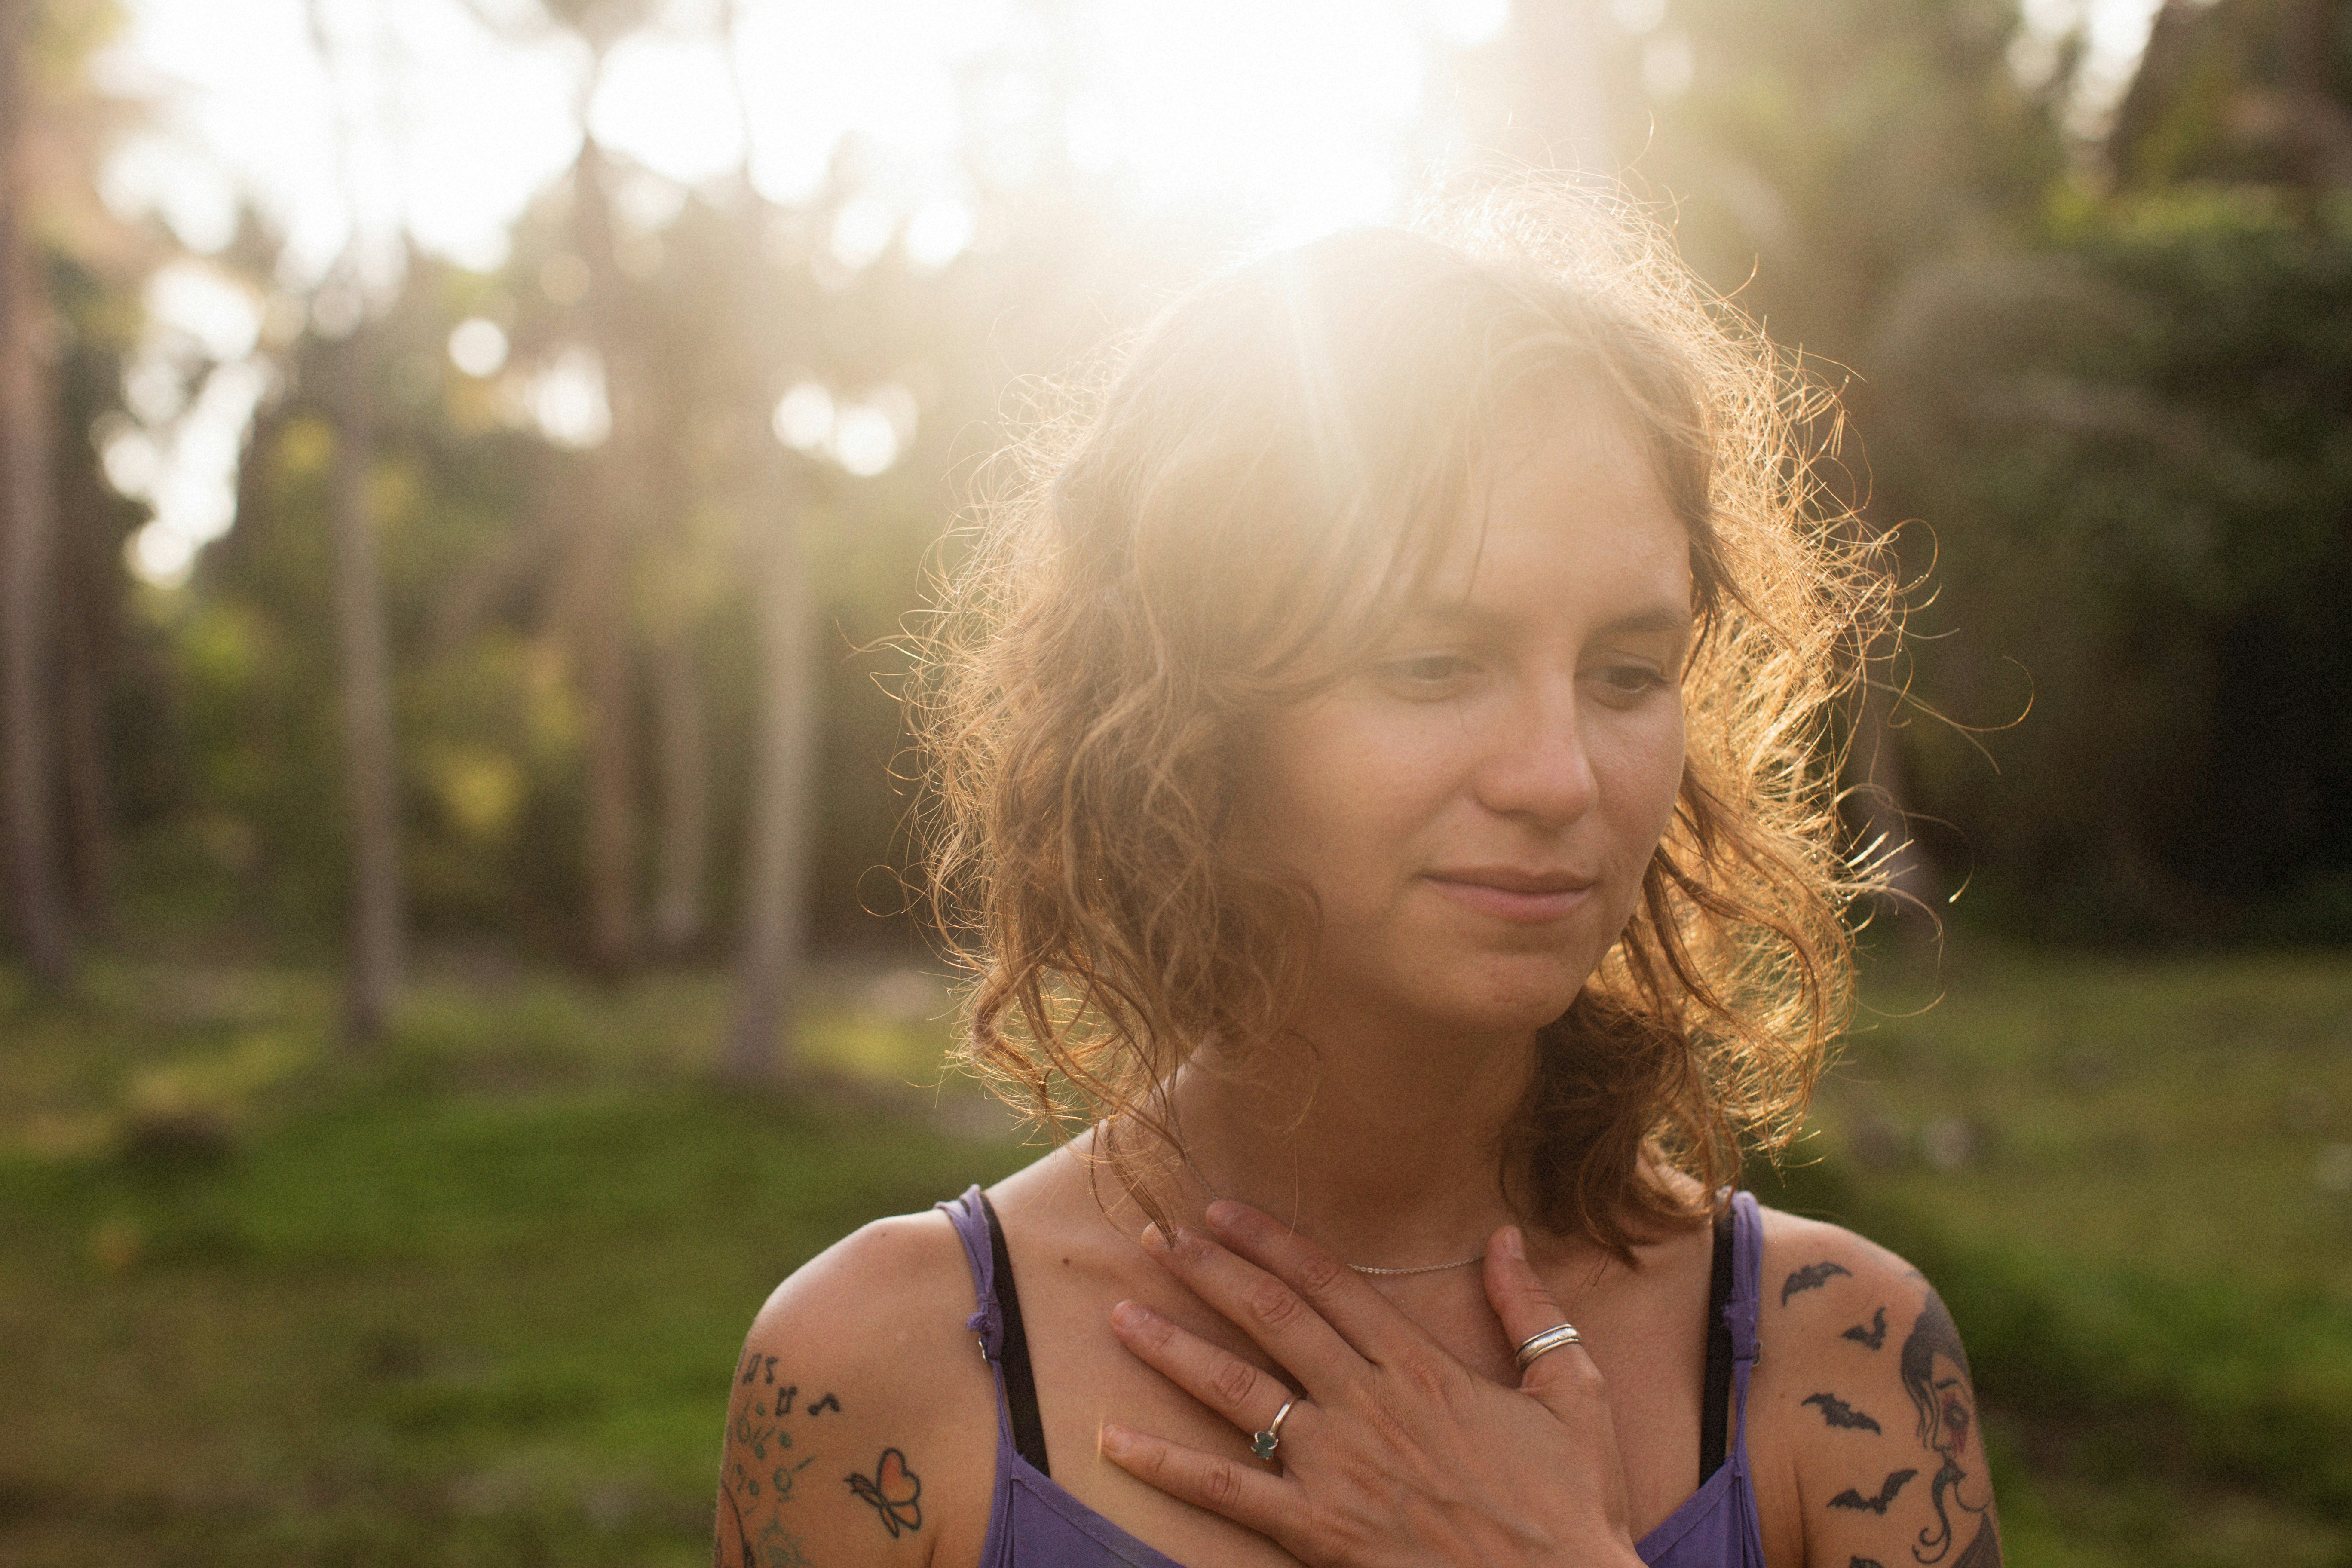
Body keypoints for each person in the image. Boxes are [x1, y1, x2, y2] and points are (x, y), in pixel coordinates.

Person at [714, 183, 2001, 1568]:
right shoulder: (888, 1374)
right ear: (1189, 717)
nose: (1560, 776)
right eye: (1434, 664)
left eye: (1627, 674)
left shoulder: (1843, 1362)